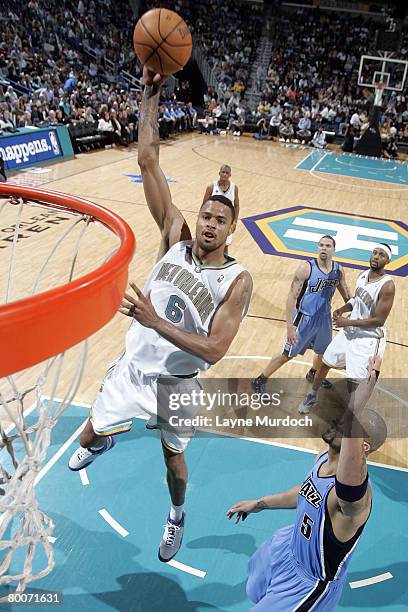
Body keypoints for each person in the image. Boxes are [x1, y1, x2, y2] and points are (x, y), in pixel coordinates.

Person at [68, 66, 253, 563]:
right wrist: (149, 92)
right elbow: (148, 159)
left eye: (220, 220)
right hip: (133, 370)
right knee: (86, 437)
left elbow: (214, 350)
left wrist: (156, 322)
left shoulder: (236, 281)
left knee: (174, 462)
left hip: (179, 385)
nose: (210, 224)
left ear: (232, 227)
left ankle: (176, 517)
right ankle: (103, 439)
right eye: (207, 215)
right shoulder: (174, 231)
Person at [227, 356, 386, 611]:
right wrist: (260, 504)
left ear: (362, 446)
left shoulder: (355, 499)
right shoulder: (324, 457)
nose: (339, 422)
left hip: (308, 587)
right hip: (286, 549)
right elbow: (306, 492)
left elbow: (348, 485)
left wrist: (360, 402)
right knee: (254, 591)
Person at [298, 244, 395, 414]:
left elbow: (379, 320)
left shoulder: (387, 286)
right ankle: (312, 395)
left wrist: (346, 322)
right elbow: (357, 300)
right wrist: (343, 309)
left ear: (387, 260)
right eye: (374, 253)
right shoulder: (363, 275)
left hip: (369, 339)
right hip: (350, 331)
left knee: (356, 383)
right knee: (325, 362)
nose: (376, 257)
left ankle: (352, 418)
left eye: (381, 255)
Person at [252, 236, 351, 394]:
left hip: (324, 318)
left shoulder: (338, 270)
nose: (324, 248)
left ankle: (313, 374)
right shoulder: (306, 268)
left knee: (323, 351)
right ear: (317, 248)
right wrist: (290, 327)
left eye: (328, 246)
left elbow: (347, 295)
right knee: (287, 354)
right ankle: (260, 380)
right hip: (304, 318)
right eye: (321, 245)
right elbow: (291, 297)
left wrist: (352, 308)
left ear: (334, 249)